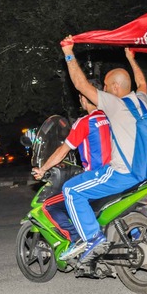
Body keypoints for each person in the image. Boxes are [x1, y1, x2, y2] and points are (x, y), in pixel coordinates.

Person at [60, 35, 147, 263]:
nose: (106, 90)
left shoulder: (115, 104)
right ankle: (136, 233)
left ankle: (92, 238)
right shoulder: (141, 101)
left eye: (108, 86)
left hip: (124, 173)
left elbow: (81, 85)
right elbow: (142, 83)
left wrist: (69, 53)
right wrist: (131, 59)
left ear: (116, 88)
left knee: (71, 190)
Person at [32, 79, 112, 260]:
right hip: (117, 175)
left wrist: (43, 169)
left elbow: (62, 150)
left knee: (49, 205)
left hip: (96, 178)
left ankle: (77, 241)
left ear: (84, 97)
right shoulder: (112, 116)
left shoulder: (85, 122)